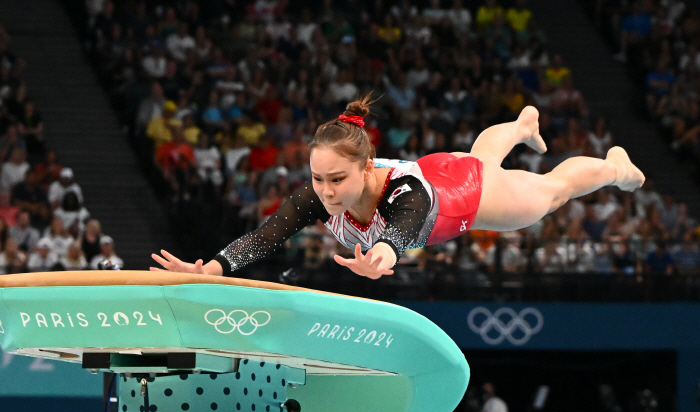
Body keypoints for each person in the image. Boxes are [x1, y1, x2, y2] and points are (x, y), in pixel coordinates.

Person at [151, 98, 645, 279]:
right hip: (445, 166)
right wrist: (210, 268)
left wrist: (383, 255)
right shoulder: (316, 195)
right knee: (478, 156)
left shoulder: (404, 193)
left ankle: (614, 168)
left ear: (367, 168)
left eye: (337, 179)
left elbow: (407, 229)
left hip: (463, 195)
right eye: (318, 178)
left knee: (551, 191)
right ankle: (519, 126)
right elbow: (268, 234)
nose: (324, 191)